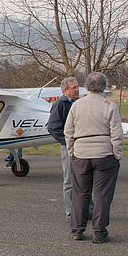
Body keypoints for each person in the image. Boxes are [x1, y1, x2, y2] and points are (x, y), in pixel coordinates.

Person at [64, 72, 123, 244]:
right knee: (102, 195)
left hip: (81, 154)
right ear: (103, 86)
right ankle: (99, 230)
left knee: (80, 193)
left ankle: (77, 229)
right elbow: (116, 133)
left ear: (87, 86)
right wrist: (117, 154)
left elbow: (68, 131)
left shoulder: (77, 105)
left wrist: (72, 151)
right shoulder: (109, 105)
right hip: (104, 154)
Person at [46, 76, 81, 219]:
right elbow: (52, 127)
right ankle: (70, 212)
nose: (77, 89)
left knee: (83, 178)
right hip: (68, 146)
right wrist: (67, 141)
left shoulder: (77, 103)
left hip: (80, 146)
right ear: (65, 90)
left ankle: (86, 210)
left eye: (78, 87)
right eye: (74, 88)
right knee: (69, 180)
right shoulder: (60, 104)